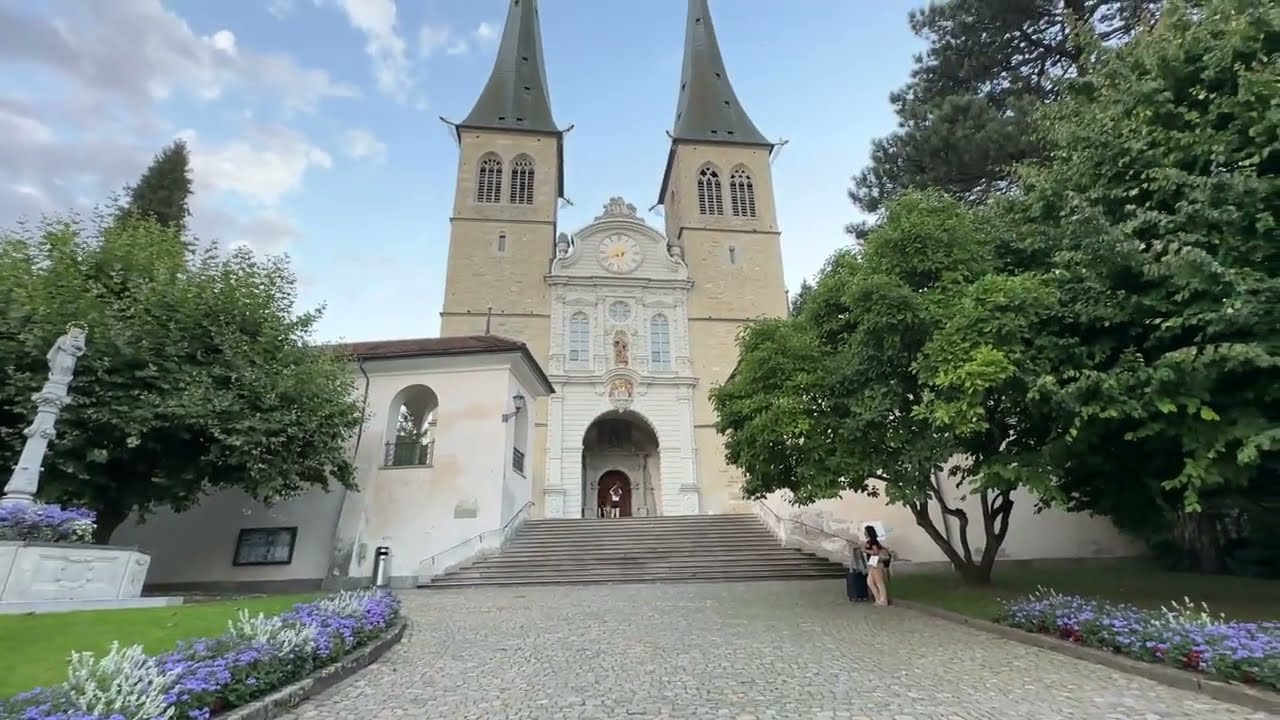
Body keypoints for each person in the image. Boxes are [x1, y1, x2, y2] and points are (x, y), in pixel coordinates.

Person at [863, 524, 892, 606]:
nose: (864, 533)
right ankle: (878, 599)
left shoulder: (873, 541)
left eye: (865, 532)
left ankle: (883, 600)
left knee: (879, 582)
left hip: (877, 564)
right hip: (872, 564)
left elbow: (875, 552)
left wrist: (865, 550)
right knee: (870, 582)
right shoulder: (871, 541)